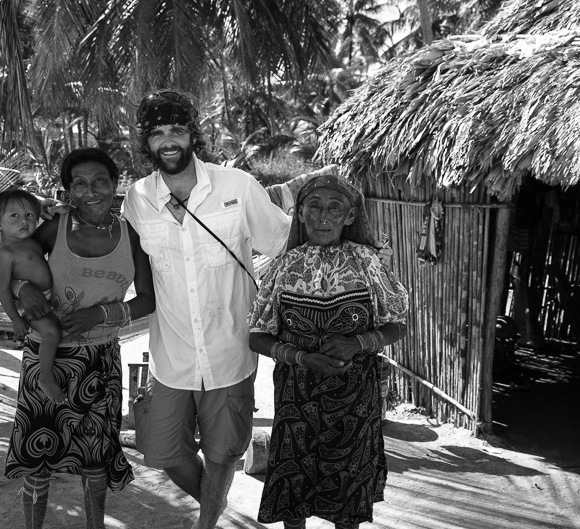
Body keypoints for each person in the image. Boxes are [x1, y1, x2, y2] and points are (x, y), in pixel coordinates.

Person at [121, 89, 294, 529]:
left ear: (192, 132)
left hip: (230, 352)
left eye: (177, 129)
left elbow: (283, 242)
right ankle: (215, 509)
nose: (169, 141)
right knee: (164, 452)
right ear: (147, 142)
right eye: (157, 133)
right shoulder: (136, 200)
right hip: (171, 356)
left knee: (223, 453)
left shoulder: (236, 186)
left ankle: (206, 525)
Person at [247, 174, 409, 529]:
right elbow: (256, 336)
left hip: (354, 402)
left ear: (350, 217)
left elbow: (397, 323)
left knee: (347, 493)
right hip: (296, 402)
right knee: (294, 489)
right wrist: (303, 357)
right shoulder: (283, 268)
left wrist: (357, 343)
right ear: (299, 213)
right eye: (314, 207)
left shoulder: (369, 264)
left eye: (335, 208)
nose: (323, 216)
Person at [5, 148, 156, 529]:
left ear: (115, 184)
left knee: (95, 457)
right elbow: (15, 262)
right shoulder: (55, 228)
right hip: (46, 359)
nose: (91, 191)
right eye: (80, 183)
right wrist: (24, 288)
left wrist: (99, 314)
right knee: (37, 459)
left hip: (100, 361)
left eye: (100, 181)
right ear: (69, 189)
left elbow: (148, 300)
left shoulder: (131, 235)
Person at [0, 189, 66, 404]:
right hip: (28, 305)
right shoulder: (7, 252)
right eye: (14, 216)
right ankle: (46, 377)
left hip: (49, 298)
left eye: (30, 215)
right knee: (51, 332)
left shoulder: (32, 241)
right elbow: (2, 287)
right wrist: (14, 318)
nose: (24, 221)